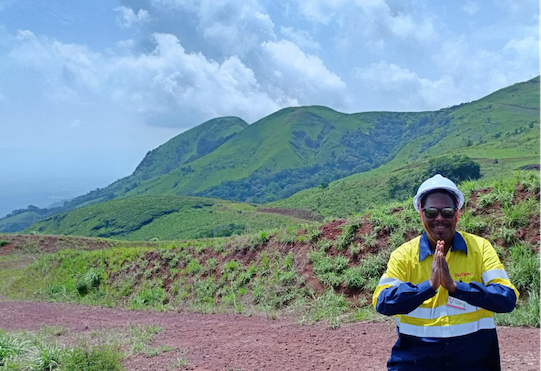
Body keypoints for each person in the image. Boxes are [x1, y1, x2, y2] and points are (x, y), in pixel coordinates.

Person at [373, 174, 519, 371]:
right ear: (420, 214)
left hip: (475, 364)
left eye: (447, 212)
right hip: (415, 364)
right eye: (431, 212)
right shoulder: (403, 255)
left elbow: (507, 299)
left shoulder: (481, 248)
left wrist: (457, 288)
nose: (439, 218)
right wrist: (428, 287)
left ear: (457, 214)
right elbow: (382, 302)